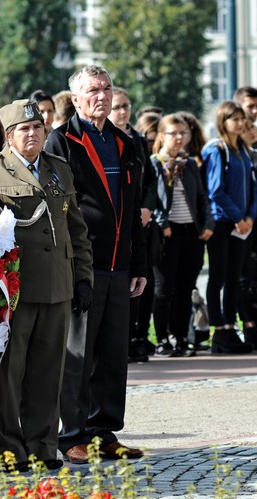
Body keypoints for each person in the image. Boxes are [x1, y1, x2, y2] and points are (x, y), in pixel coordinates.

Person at [0, 99, 93, 472]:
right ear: (8, 136)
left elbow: (75, 229)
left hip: (57, 286)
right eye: (24, 129)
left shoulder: (58, 170)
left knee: (48, 372)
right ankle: (10, 452)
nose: (33, 134)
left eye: (38, 128)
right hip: (11, 290)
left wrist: (83, 277)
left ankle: (42, 447)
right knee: (7, 374)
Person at [44, 64, 147, 465]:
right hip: (82, 265)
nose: (101, 96)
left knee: (112, 354)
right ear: (75, 98)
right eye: (92, 90)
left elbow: (133, 207)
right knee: (77, 356)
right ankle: (72, 434)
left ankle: (104, 432)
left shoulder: (124, 141)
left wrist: (138, 263)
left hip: (120, 264)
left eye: (106, 88)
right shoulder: (62, 141)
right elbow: (59, 209)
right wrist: (71, 266)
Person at [150, 114, 214, 358]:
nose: (179, 138)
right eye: (173, 133)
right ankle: (163, 339)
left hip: (191, 232)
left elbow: (201, 197)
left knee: (186, 288)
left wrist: (208, 223)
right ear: (162, 136)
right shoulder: (155, 163)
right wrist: (162, 221)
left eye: (183, 133)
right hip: (167, 232)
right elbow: (150, 199)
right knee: (164, 289)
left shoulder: (190, 165)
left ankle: (181, 338)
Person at [108, 87, 158, 363]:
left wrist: (147, 207)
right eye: (117, 107)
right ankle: (122, 341)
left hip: (139, 221)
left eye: (126, 106)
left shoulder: (137, 139)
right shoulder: (101, 140)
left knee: (142, 278)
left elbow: (150, 178)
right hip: (114, 222)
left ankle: (138, 337)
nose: (123, 111)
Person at [202, 101, 257, 353]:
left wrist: (250, 217)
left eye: (241, 119)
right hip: (223, 222)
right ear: (222, 122)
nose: (239, 123)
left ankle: (231, 328)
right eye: (233, 119)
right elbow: (216, 191)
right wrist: (238, 216)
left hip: (242, 223)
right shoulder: (217, 149)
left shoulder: (243, 150)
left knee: (235, 277)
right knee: (218, 277)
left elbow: (254, 187)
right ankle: (220, 330)